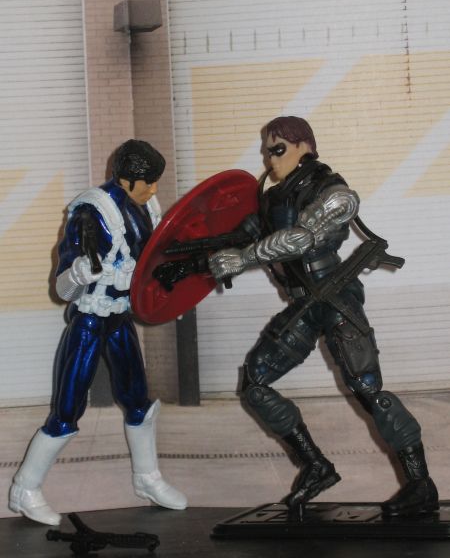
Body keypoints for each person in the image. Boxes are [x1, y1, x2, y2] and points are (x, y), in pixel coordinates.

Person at [208, 116, 438, 517]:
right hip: (303, 305)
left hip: (335, 298)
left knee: (369, 390)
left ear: (305, 147)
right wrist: (195, 258)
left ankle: (421, 486)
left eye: (278, 149)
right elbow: (239, 235)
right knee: (256, 383)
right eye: (266, 150)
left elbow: (299, 238)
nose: (269, 158)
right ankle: (316, 466)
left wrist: (243, 257)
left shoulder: (334, 193)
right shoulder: (273, 200)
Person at [9, 139, 187, 526]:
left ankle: (147, 478)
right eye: (147, 181)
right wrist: (79, 272)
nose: (153, 189)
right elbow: (63, 288)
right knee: (68, 408)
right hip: (90, 318)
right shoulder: (90, 213)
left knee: (138, 400)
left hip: (120, 317)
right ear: (126, 179)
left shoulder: (147, 207)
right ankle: (25, 488)